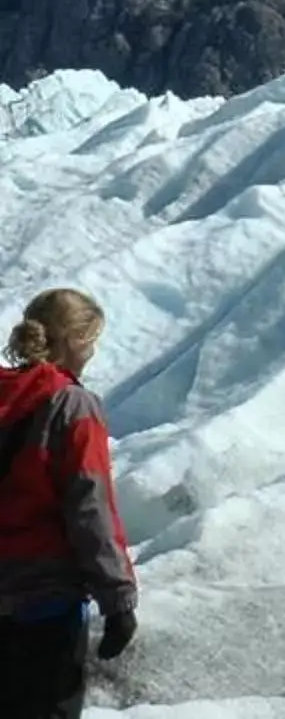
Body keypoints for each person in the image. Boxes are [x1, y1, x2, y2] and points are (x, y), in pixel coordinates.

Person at [0, 290, 134, 719]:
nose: (93, 351)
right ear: (74, 340)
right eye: (90, 339)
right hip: (46, 599)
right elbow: (89, 508)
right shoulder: (73, 406)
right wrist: (118, 600)